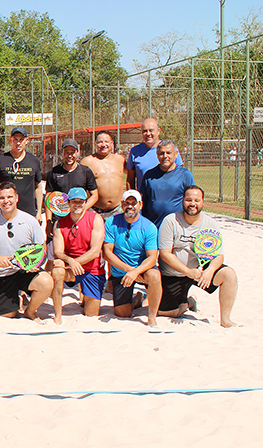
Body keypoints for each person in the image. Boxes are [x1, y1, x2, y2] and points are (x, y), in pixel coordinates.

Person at [157, 185, 238, 327]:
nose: (192, 203)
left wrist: (210, 270)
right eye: (188, 200)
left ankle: (225, 320)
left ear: (203, 202)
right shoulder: (170, 221)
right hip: (174, 274)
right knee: (167, 312)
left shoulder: (210, 224)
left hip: (200, 272)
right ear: (183, 200)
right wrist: (188, 272)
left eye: (197, 200)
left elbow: (219, 255)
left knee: (229, 274)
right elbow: (165, 254)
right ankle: (188, 302)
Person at [0, 182, 53, 323]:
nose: (6, 201)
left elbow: (41, 247)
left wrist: (36, 264)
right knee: (8, 315)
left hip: (24, 271)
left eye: (9, 197)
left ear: (17, 198)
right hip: (1, 275)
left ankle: (30, 311)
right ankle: (16, 300)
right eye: (2, 198)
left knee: (46, 282)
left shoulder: (29, 220)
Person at [102, 190, 161, 326]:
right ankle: (137, 299)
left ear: (140, 205)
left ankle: (152, 317)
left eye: (134, 203)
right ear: (122, 205)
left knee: (154, 276)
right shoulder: (112, 222)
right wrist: (129, 270)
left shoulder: (149, 227)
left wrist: (136, 271)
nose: (130, 206)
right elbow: (107, 253)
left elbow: (152, 258)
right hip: (122, 272)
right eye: (127, 203)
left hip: (142, 270)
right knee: (122, 313)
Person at [51, 187, 105, 323]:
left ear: (86, 202)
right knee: (57, 269)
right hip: (70, 268)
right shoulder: (60, 222)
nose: (77, 204)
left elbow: (95, 251)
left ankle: (84, 294)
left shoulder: (96, 219)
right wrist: (71, 262)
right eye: (74, 201)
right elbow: (58, 251)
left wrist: (76, 262)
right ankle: (58, 313)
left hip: (91, 268)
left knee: (91, 313)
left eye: (81, 201)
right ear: (68, 203)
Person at [0, 126, 44, 221]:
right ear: (11, 140)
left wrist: (39, 212)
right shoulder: (0, 160)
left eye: (21, 139)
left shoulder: (34, 161)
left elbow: (38, 187)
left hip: (28, 213)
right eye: (15, 139)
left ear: (26, 141)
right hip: (5, 213)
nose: (18, 143)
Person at [139, 140, 195, 228]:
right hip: (153, 226)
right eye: (161, 153)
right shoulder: (149, 175)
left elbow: (191, 201)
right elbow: (143, 202)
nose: (165, 156)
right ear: (157, 155)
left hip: (177, 227)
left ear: (176, 154)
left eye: (169, 153)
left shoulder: (185, 175)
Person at [44, 138, 98, 224]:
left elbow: (95, 195)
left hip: (79, 218)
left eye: (72, 152)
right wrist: (48, 221)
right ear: (62, 152)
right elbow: (48, 197)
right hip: (59, 218)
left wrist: (81, 209)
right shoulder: (54, 172)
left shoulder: (86, 171)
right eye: (66, 152)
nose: (70, 156)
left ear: (78, 152)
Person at [81, 131, 126, 221]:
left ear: (111, 143)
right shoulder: (87, 161)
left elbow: (129, 180)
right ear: (95, 144)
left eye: (106, 141)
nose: (103, 144)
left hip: (118, 210)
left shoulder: (120, 160)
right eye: (100, 142)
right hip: (95, 210)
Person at [126, 118, 181, 191]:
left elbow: (180, 175)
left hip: (169, 198)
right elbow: (130, 179)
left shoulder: (169, 149)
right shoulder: (135, 151)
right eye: (145, 131)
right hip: (145, 199)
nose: (148, 134)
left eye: (151, 130)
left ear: (158, 131)